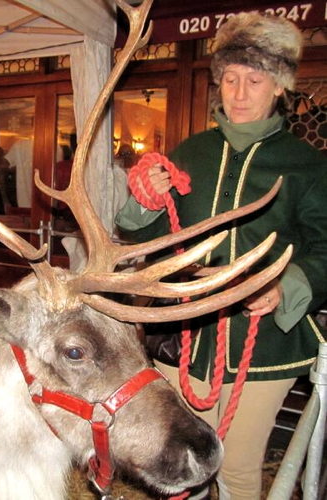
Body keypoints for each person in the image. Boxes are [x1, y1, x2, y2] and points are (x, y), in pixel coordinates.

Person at [115, 13, 327, 500]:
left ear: (278, 87)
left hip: (266, 344)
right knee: (173, 460)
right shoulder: (192, 151)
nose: (239, 92)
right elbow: (139, 233)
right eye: (230, 78)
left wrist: (287, 285)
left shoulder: (308, 166)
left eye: (254, 80)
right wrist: (141, 202)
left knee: (235, 469)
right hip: (182, 335)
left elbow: (325, 249)